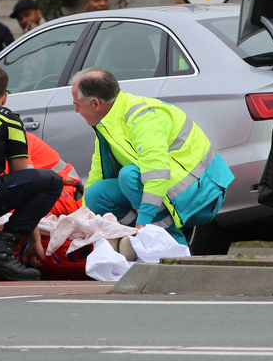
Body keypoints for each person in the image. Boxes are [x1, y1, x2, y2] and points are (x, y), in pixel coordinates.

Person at [69, 67, 234, 245]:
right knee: (95, 194)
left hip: (201, 197)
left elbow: (157, 175)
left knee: (129, 175)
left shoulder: (143, 117)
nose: (76, 111)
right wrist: (82, 218)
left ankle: (171, 244)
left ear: (95, 104)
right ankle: (134, 239)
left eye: (77, 105)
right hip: (170, 193)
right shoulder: (107, 123)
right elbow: (97, 174)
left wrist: (143, 225)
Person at [0, 66, 62, 280]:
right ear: (5, 97)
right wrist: (34, 241)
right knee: (51, 181)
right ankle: (0, 252)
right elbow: (23, 182)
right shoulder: (8, 119)